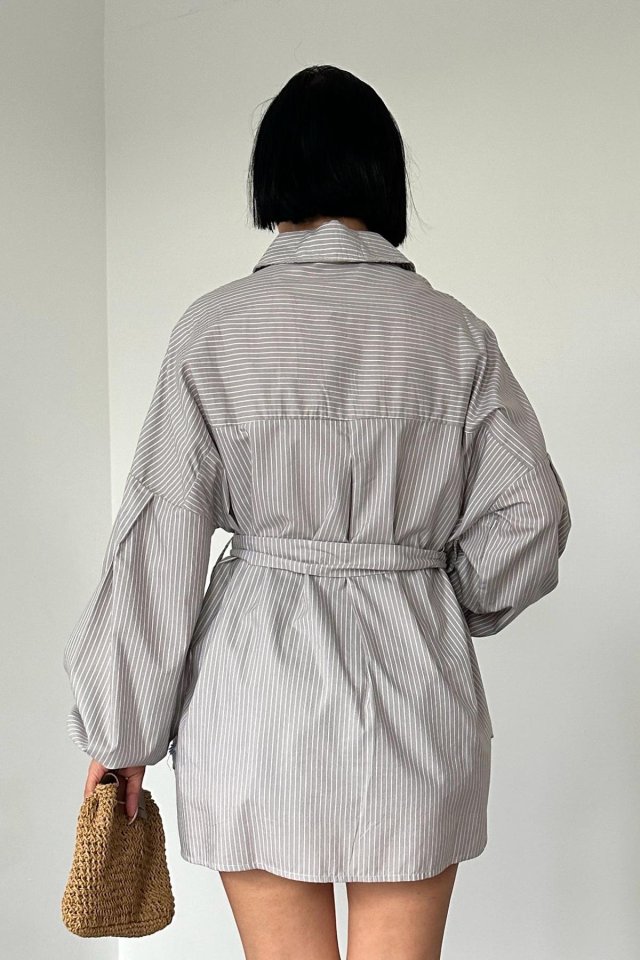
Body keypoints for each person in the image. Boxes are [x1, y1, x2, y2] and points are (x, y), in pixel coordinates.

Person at [63, 64, 571, 959]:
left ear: (273, 176)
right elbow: (531, 514)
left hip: (254, 697)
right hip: (415, 692)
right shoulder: (455, 335)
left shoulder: (214, 329)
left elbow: (160, 536)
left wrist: (122, 731)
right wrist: (444, 592)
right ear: (385, 177)